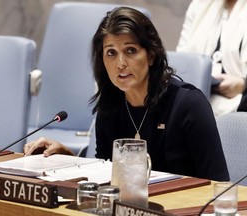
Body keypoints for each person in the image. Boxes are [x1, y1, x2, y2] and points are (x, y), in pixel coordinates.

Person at [24, 6, 230, 181]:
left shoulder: (188, 105)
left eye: (130, 50)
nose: (121, 63)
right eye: (111, 53)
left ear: (150, 55)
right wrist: (67, 158)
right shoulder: (110, 108)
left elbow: (219, 187)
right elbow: (105, 176)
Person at [176, 0, 247, 117]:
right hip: (193, 97)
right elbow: (181, 61)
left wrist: (243, 84)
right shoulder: (199, 5)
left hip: (238, 105)